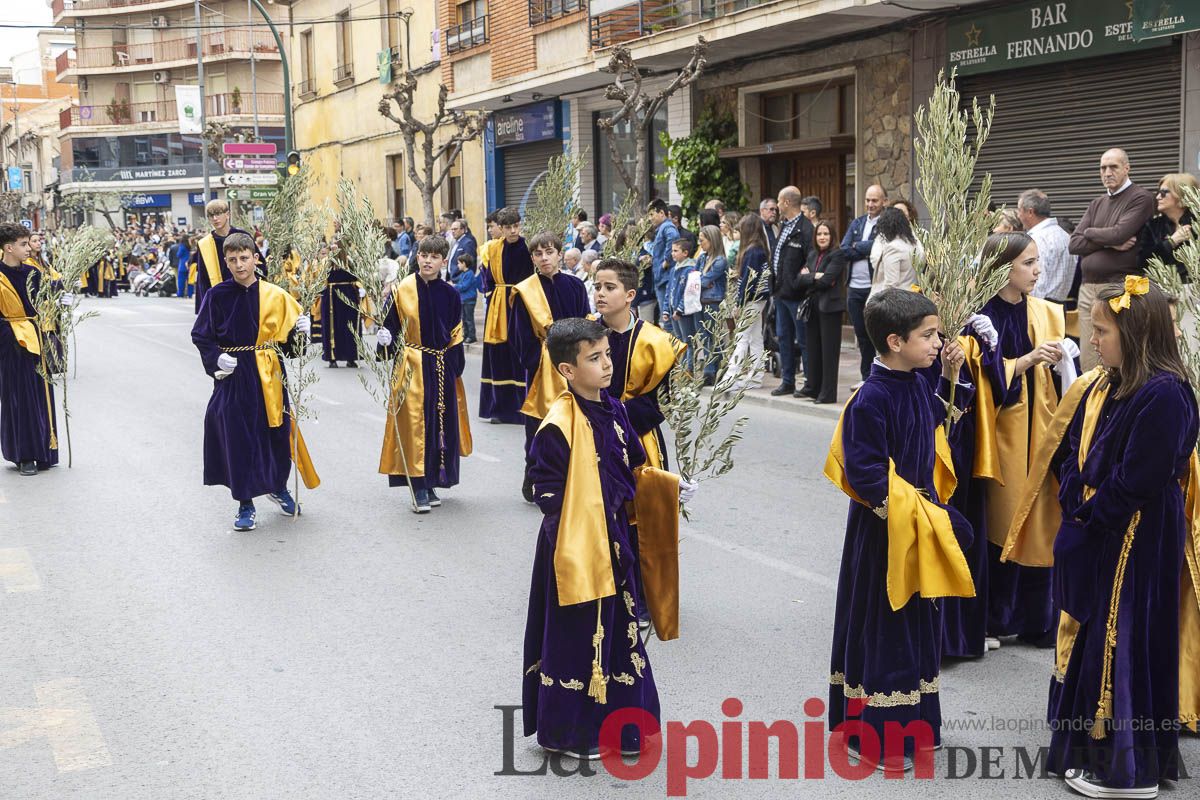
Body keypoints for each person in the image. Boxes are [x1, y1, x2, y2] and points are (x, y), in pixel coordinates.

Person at [1007, 277, 1196, 798]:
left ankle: (1128, 773)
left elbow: (1137, 480)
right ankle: (1100, 754)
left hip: (1136, 534)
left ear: (1135, 334)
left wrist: (1088, 516)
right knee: (1098, 638)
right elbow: (1077, 450)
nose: (1093, 341)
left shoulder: (1165, 394)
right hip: (1107, 528)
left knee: (1123, 640)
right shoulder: (1114, 382)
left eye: (1102, 331)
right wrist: (1073, 496)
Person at [522, 317, 694, 760]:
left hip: (615, 542)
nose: (606, 365)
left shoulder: (616, 411)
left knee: (618, 632)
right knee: (579, 634)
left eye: (608, 355)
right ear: (567, 370)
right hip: (574, 549)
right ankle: (574, 731)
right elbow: (546, 492)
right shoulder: (557, 425)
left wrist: (668, 485)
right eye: (593, 358)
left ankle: (622, 726)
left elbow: (635, 468)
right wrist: (583, 531)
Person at [824, 287, 973, 771]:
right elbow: (867, 478)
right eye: (928, 336)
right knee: (885, 627)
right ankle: (877, 738)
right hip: (886, 532)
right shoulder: (870, 399)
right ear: (894, 341)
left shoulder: (915, 380)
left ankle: (918, 725)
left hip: (918, 522)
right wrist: (928, 519)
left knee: (918, 626)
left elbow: (939, 422)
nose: (937, 343)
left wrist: (950, 374)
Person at [970, 233, 1075, 654]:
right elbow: (982, 384)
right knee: (1004, 522)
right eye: (1028, 263)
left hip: (1044, 431)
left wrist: (1066, 356)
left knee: (1044, 519)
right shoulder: (980, 317)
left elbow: (1066, 375)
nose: (1037, 270)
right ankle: (996, 616)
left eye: (1036, 262)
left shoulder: (1046, 312)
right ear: (1002, 268)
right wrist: (1029, 360)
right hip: (1003, 437)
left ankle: (1039, 620)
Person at [190, 233, 315, 531]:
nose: (239, 265)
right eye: (232, 260)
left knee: (275, 431)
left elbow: (290, 349)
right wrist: (217, 357)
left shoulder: (276, 295)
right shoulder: (217, 295)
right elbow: (201, 335)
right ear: (226, 262)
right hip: (234, 375)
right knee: (236, 434)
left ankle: (277, 486)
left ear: (255, 258)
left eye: (244, 258)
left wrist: (302, 332)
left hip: (269, 372)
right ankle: (245, 501)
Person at [374, 235, 471, 514]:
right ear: (417, 257)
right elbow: (391, 325)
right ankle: (417, 485)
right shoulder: (402, 290)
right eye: (423, 255)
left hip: (440, 366)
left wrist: (453, 368)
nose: (427, 260)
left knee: (438, 424)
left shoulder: (450, 293)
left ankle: (431, 480)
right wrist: (386, 338)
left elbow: (456, 334)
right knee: (414, 424)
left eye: (434, 256)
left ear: (443, 260)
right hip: (411, 363)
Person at [510, 231, 591, 502]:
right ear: (532, 257)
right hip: (540, 368)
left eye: (549, 252)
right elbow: (520, 333)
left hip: (573, 362)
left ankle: (569, 476)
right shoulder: (525, 290)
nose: (544, 258)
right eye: (538, 254)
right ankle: (535, 476)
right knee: (539, 423)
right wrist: (535, 362)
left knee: (573, 421)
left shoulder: (575, 286)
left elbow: (584, 320)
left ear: (559, 253)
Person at [1068, 148, 1156, 371]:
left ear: (1127, 168)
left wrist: (1092, 233)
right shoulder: (1097, 203)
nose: (1107, 172)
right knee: (1089, 356)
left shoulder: (1141, 198)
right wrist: (1108, 241)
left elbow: (1120, 234)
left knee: (1115, 353)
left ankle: (1115, 402)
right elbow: (1074, 244)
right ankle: (1092, 402)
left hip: (1118, 286)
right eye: (1103, 167)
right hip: (1087, 289)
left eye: (1113, 166)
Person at [593, 258, 685, 469]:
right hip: (589, 433)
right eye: (597, 287)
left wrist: (617, 418)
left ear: (630, 295)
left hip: (638, 437)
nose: (600, 293)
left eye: (609, 287)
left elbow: (663, 399)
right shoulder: (583, 334)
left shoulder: (656, 341)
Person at [0, 223, 61, 476]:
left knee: (40, 394)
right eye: (24, 244)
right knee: (19, 398)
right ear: (8, 247)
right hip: (10, 342)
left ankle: (44, 450)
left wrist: (60, 296)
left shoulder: (33, 273)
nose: (29, 249)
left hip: (36, 338)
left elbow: (44, 302)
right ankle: (24, 454)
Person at [478, 207, 533, 425]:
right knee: (498, 354)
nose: (513, 231)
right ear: (500, 229)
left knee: (520, 353)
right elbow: (487, 279)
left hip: (521, 304)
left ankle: (523, 407)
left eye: (516, 226)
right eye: (508, 227)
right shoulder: (492, 249)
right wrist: (492, 296)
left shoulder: (528, 247)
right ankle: (499, 408)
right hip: (499, 306)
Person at [770, 186, 816, 396]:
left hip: (796, 295)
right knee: (783, 337)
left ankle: (808, 382)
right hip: (780, 292)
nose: (777, 206)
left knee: (804, 340)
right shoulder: (785, 226)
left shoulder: (806, 229)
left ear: (787, 203)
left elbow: (810, 260)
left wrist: (799, 282)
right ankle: (788, 381)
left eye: (779, 202)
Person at [796, 221, 847, 404]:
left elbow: (827, 281)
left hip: (830, 308)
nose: (822, 237)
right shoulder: (812, 254)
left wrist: (811, 277)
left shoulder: (837, 254)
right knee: (813, 349)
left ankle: (827, 394)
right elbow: (798, 279)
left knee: (828, 352)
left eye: (826, 234)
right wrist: (813, 276)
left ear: (832, 236)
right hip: (813, 306)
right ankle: (813, 388)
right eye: (819, 234)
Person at [842, 184, 886, 387]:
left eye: (874, 200)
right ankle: (864, 377)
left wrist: (857, 246)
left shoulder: (886, 224)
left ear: (883, 201)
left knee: (874, 333)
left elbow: (879, 246)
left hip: (873, 287)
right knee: (861, 333)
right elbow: (844, 249)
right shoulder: (858, 222)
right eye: (868, 200)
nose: (870, 204)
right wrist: (864, 248)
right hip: (854, 287)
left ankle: (876, 376)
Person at [191, 199, 263, 314]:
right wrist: (203, 309)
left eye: (218, 214)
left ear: (227, 214)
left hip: (245, 295)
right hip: (219, 299)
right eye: (211, 215)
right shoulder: (204, 244)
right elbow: (203, 279)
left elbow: (259, 265)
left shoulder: (243, 236)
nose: (215, 218)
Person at [729, 212, 771, 391]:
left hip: (751, 298)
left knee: (742, 337)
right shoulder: (760, 249)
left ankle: (730, 377)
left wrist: (739, 302)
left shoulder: (752, 251)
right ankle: (756, 376)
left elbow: (747, 279)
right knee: (755, 337)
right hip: (759, 298)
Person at [1139, 172, 1197, 284]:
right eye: (1158, 192)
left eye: (1163, 193)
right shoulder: (1153, 225)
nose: (1158, 197)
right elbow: (1142, 262)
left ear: (1180, 194)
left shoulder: (1197, 223)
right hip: (1162, 288)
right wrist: (1171, 242)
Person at [1017, 189, 1073, 303]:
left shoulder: (1037, 239)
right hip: (1061, 305)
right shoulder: (1064, 235)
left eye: (1019, 210)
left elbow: (1037, 282)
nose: (1018, 215)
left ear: (1030, 212)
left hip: (1041, 305)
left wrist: (1031, 306)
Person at [694, 225, 727, 385]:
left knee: (712, 337)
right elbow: (694, 278)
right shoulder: (702, 257)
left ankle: (710, 371)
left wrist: (701, 280)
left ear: (712, 240)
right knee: (707, 336)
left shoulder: (720, 260)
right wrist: (700, 280)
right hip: (700, 300)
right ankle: (717, 367)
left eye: (702, 240)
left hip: (712, 302)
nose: (700, 243)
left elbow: (703, 280)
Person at [868, 206, 923, 298]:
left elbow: (891, 284)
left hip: (894, 303)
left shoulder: (893, 247)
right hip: (913, 297)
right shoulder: (915, 243)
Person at [320, 256, 362, 369]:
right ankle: (332, 358)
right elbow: (320, 278)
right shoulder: (327, 261)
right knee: (333, 327)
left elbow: (357, 277)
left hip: (347, 294)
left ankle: (351, 357)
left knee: (350, 326)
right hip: (331, 297)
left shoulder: (350, 260)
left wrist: (360, 288)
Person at [647, 199, 679, 329]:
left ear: (661, 213)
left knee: (668, 319)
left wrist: (666, 262)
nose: (650, 219)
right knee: (667, 318)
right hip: (662, 278)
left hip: (665, 278)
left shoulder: (667, 227)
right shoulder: (662, 228)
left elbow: (673, 238)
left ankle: (673, 348)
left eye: (652, 214)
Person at [665, 239, 698, 357]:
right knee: (679, 338)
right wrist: (665, 309)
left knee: (688, 340)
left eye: (675, 251)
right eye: (672, 250)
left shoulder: (690, 269)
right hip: (673, 310)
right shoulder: (674, 269)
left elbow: (689, 292)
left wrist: (680, 309)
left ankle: (689, 368)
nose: (672, 253)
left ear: (685, 253)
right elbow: (668, 290)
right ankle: (683, 366)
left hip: (683, 312)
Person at [452, 253, 479, 344]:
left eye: (459, 263)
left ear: (464, 263)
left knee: (469, 318)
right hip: (463, 300)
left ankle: (472, 336)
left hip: (469, 300)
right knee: (463, 318)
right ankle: (465, 335)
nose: (458, 265)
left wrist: (454, 286)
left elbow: (464, 286)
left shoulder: (470, 274)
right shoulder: (463, 274)